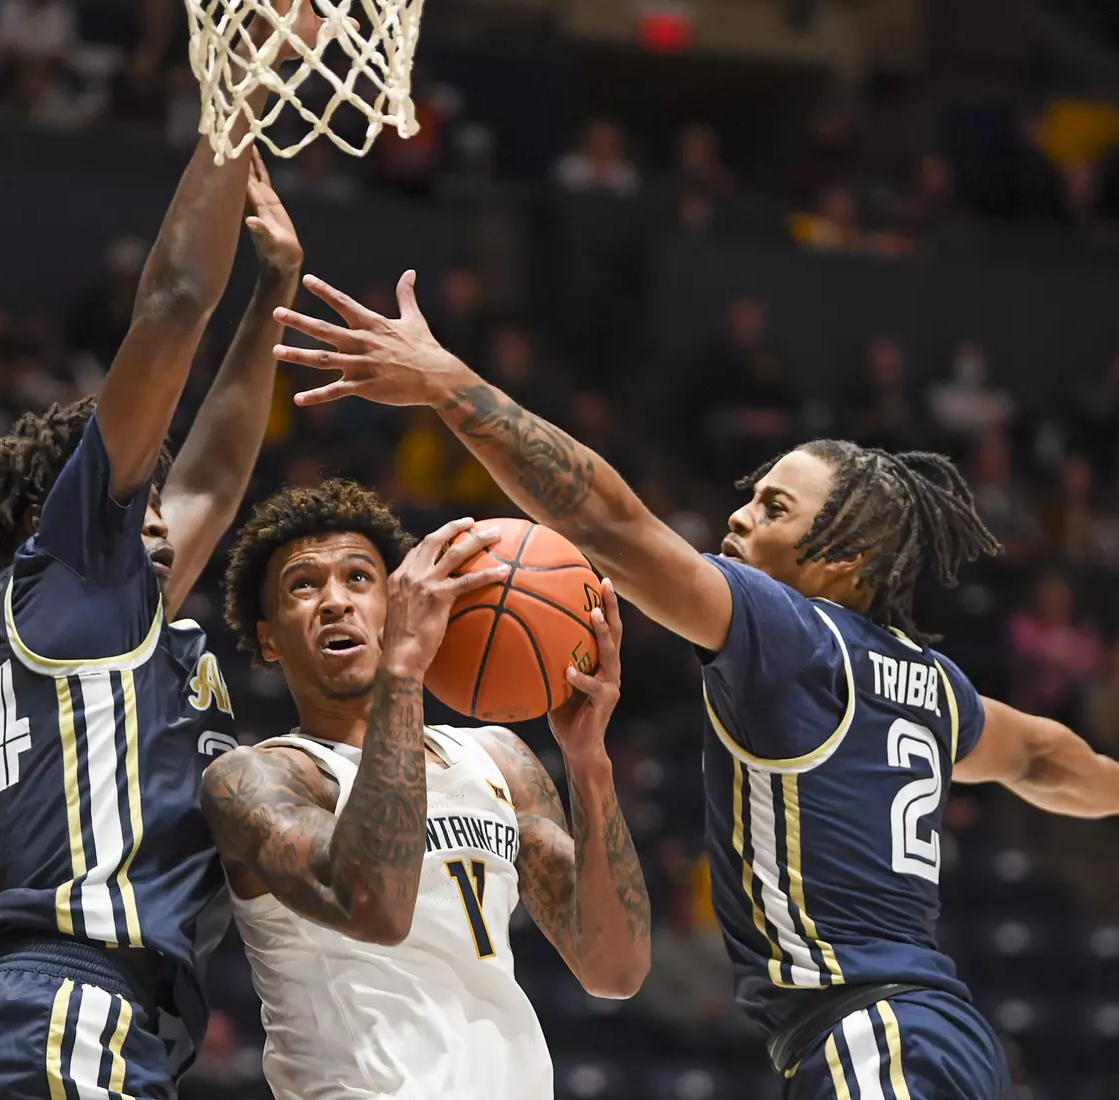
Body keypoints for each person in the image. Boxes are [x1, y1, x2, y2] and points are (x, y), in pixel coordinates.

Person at [269, 270, 1119, 1100]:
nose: (742, 515)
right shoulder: (932, 687)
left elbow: (606, 521)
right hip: (934, 1030)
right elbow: (1044, 755)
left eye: (777, 509)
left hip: (872, 1030)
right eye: (753, 497)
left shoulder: (790, 633)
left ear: (847, 560)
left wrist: (450, 386)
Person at [0, 117, 312, 1100]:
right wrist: (236, 97)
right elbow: (171, 307)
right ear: (66, 513)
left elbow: (214, 472)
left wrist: (274, 298)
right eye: (141, 498)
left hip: (45, 1017)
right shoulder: (72, 572)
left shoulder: (82, 618)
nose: (168, 514)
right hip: (64, 1015)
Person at [198, 479, 650, 1099]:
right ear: (270, 637)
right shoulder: (259, 777)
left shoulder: (498, 759)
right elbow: (376, 906)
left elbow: (615, 969)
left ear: (395, 601)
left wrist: (587, 759)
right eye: (304, 586)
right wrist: (404, 668)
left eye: (359, 578)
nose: (336, 601)